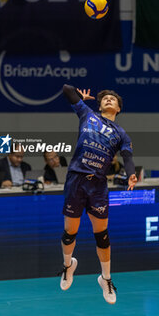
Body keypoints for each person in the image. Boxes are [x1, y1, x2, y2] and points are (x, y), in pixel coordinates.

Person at [59, 85, 137, 304]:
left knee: (101, 234)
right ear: (100, 104)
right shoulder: (87, 114)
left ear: (119, 108)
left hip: (98, 186)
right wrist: (80, 97)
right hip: (76, 179)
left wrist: (131, 175)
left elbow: (128, 157)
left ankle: (106, 278)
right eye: (105, 98)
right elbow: (66, 89)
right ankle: (68, 266)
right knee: (69, 232)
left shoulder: (121, 134)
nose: (109, 100)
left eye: (113, 99)